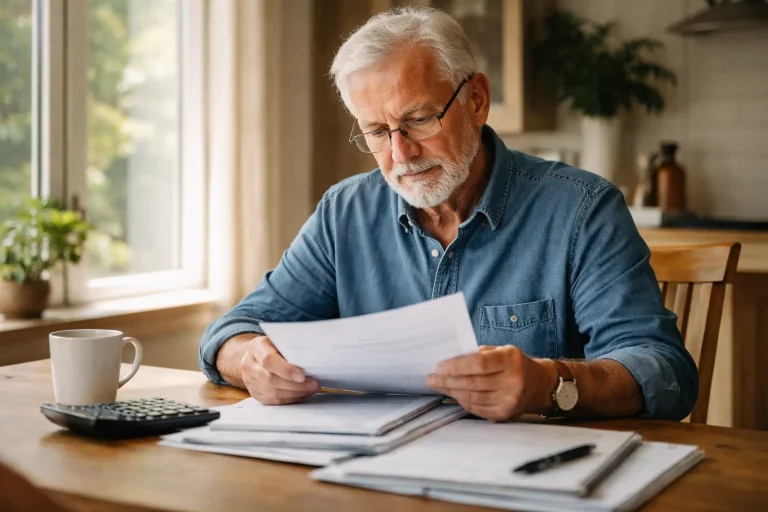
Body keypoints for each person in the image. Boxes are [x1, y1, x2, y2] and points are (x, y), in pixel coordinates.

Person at [199, 6, 697, 422]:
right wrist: (250, 359)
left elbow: (665, 371)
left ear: (476, 100)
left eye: (418, 119)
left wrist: (550, 383)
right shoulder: (344, 212)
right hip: (375, 476)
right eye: (376, 131)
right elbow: (230, 330)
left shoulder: (581, 209)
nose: (400, 153)